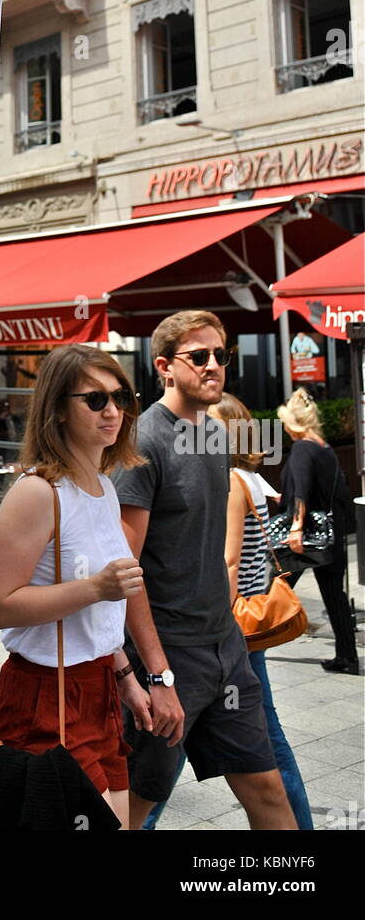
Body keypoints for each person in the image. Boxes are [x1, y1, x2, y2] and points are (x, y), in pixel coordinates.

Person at [112, 309, 297, 830]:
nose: (214, 365)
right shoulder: (143, 442)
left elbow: (214, 546)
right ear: (165, 367)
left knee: (267, 789)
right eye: (199, 356)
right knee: (137, 807)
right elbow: (126, 571)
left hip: (225, 649)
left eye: (221, 355)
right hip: (170, 654)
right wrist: (157, 674)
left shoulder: (213, 434)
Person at [0, 345, 152, 829]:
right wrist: (96, 587)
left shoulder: (103, 485)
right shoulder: (37, 491)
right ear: (58, 407)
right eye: (95, 400)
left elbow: (97, 619)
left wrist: (126, 677)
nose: (113, 411)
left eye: (121, 396)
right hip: (44, 692)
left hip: (98, 687)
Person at [217, 392, 314, 830]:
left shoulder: (232, 481)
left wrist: (218, 622)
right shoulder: (248, 478)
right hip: (242, 625)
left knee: (268, 740)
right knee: (266, 736)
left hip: (234, 625)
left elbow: (229, 561)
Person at [277, 388, 359, 675]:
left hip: (306, 539)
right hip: (330, 535)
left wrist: (296, 528)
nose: (285, 429)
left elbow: (301, 489)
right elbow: (322, 491)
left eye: (285, 423)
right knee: (335, 596)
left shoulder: (301, 448)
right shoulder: (324, 447)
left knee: (274, 586)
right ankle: (347, 657)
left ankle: (253, 638)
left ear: (293, 424)